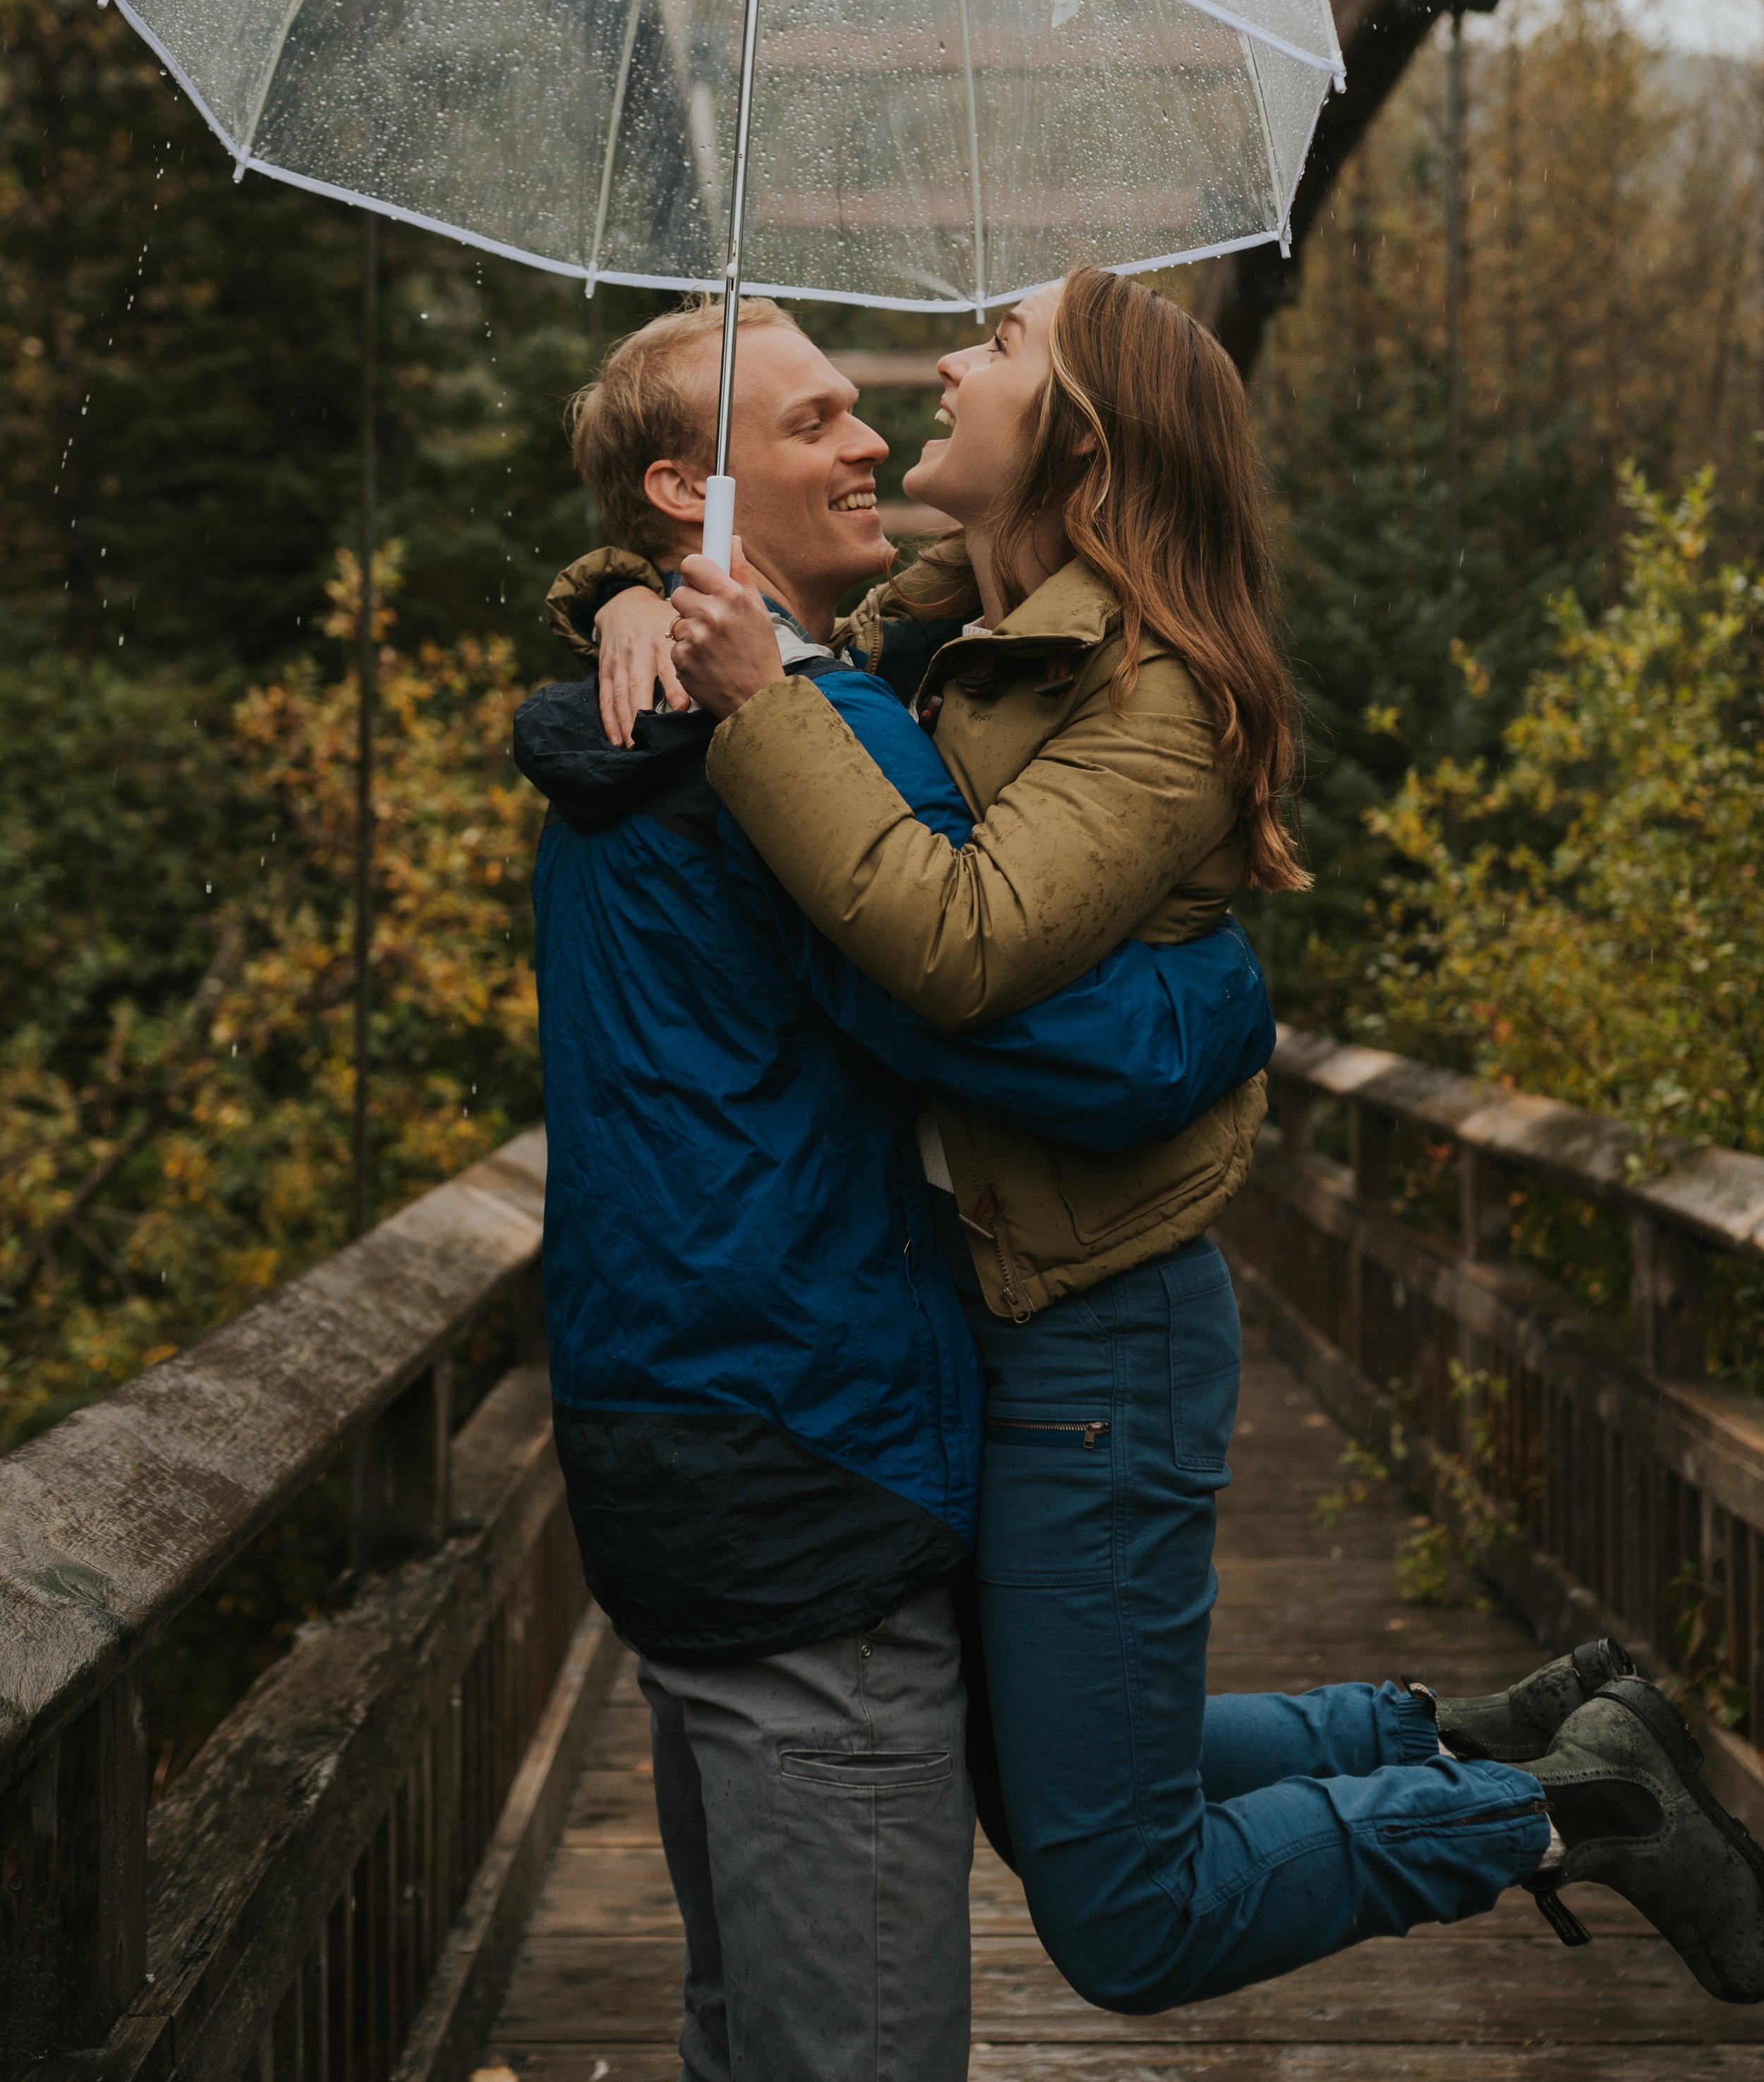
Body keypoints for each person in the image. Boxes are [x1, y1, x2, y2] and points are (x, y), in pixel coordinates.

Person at [630, 265, 1764, 2011]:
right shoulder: (945, 636)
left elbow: (957, 942)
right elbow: (767, 639)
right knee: (1026, 1779)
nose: (939, 360)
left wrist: (756, 705)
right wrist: (623, 604)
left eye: (996, 344)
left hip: (1102, 1333)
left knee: (1122, 1913)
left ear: (1080, 434)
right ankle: (1469, 1729)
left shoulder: (1153, 693)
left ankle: (1563, 1808)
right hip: (984, 1316)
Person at [512, 293, 1279, 2082]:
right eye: (807, 425)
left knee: (743, 2029)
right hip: (812, 1452)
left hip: (666, 1446)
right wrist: (1221, 995)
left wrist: (618, 592)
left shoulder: (621, 730)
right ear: (685, 490)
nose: (869, 432)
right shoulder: (801, 743)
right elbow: (1015, 1006)